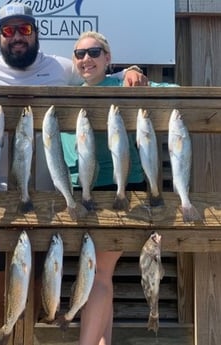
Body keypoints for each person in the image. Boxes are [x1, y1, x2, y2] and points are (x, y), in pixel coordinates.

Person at [0, 2, 150, 333]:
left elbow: (99, 75)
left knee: (41, 271)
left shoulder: (62, 67)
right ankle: (3, 330)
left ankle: (36, 330)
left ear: (36, 33)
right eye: (9, 31)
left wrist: (132, 70)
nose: (17, 37)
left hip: (50, 192)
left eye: (24, 29)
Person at [66, 30, 177, 345]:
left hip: (121, 189)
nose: (86, 58)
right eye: (80, 54)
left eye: (94, 52)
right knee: (102, 272)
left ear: (108, 58)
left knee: (98, 272)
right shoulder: (67, 94)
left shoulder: (124, 84)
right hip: (84, 192)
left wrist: (136, 76)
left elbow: (175, 91)